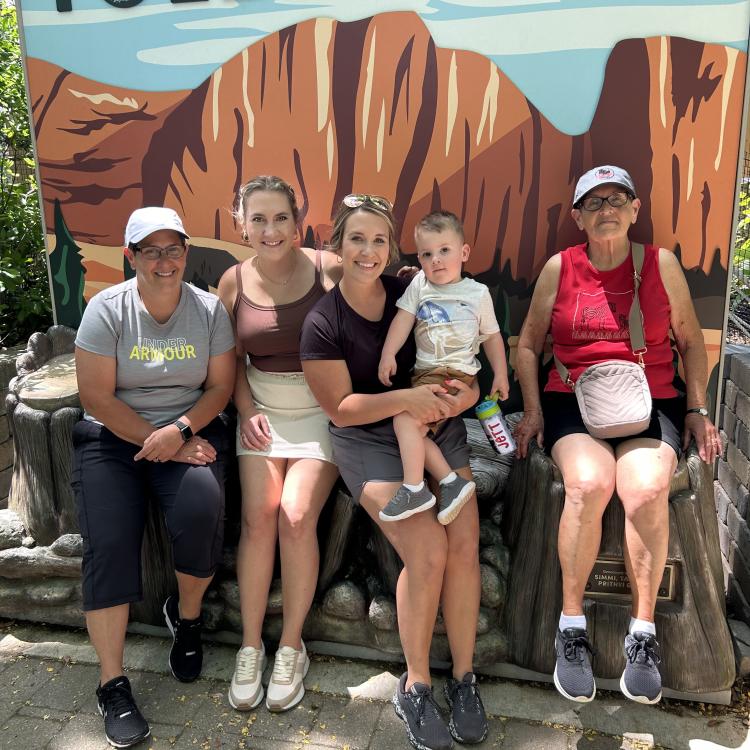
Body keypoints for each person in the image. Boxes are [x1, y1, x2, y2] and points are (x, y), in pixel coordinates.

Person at [513, 165, 722, 706]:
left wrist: (697, 407)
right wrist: (533, 410)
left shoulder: (660, 265)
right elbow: (529, 344)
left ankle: (643, 634)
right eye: (594, 201)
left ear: (633, 210)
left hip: (651, 401)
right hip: (572, 401)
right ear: (579, 216)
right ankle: (571, 626)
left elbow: (692, 344)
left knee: (647, 488)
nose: (606, 208)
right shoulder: (561, 268)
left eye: (618, 198)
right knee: (587, 483)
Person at [300, 194, 488, 750]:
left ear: (392, 247)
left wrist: (465, 394)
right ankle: (417, 684)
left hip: (433, 424)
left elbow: (463, 354)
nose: (368, 250)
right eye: (356, 239)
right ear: (338, 244)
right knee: (427, 548)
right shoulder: (322, 322)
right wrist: (408, 398)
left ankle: (464, 677)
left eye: (379, 239)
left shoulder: (417, 285)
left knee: (464, 539)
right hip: (366, 439)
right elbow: (342, 408)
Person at [72, 207, 236, 748]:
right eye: (151, 250)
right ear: (131, 256)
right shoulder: (106, 309)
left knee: (201, 505)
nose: (165, 261)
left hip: (183, 434)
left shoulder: (208, 309)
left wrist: (181, 431)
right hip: (112, 440)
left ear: (186, 252)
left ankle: (185, 619)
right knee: (110, 542)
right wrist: (158, 439)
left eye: (174, 249)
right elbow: (95, 396)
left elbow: (219, 388)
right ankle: (112, 682)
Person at [217, 176, 341, 714]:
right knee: (258, 516)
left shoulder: (329, 270)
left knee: (295, 514)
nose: (271, 230)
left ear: (299, 220)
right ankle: (250, 646)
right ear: (240, 222)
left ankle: (291, 645)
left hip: (323, 409)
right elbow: (229, 365)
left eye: (280, 218)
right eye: (259, 219)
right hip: (261, 411)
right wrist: (246, 412)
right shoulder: (231, 283)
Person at [377, 210, 509, 524]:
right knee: (412, 429)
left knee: (405, 423)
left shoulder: (476, 294)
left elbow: (492, 337)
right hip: (424, 375)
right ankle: (450, 482)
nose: (436, 260)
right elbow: (402, 320)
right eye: (427, 254)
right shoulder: (420, 285)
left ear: (463, 253)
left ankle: (414, 487)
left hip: (453, 374)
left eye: (444, 251)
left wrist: (501, 373)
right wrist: (388, 354)